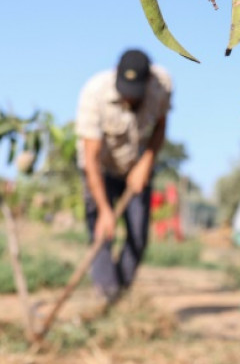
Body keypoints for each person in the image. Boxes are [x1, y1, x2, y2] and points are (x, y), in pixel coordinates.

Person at [75, 48, 172, 305]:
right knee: (102, 233)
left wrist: (146, 163)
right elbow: (91, 159)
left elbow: (161, 125)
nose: (129, 97)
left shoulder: (162, 85)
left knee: (138, 236)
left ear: (147, 82)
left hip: (135, 165)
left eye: (135, 92)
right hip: (100, 169)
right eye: (125, 90)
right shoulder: (94, 93)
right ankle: (106, 295)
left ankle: (120, 292)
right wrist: (105, 210)